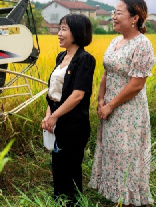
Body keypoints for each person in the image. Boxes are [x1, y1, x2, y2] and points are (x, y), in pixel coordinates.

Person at [88, 0, 155, 207]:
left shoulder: (142, 44)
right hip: (109, 108)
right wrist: (100, 99)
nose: (113, 17)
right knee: (113, 155)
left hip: (128, 112)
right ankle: (117, 198)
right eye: (113, 13)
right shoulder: (115, 41)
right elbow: (106, 73)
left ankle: (128, 201)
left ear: (135, 18)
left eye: (118, 13)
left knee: (127, 157)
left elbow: (136, 84)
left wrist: (110, 105)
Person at [42, 13, 96, 206]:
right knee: (58, 165)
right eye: (59, 28)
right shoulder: (61, 56)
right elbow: (53, 92)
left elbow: (77, 95)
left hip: (73, 123)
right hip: (57, 119)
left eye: (64, 29)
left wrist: (55, 116)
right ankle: (59, 201)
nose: (59, 33)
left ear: (77, 33)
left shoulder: (85, 59)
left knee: (71, 168)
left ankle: (73, 203)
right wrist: (49, 116)